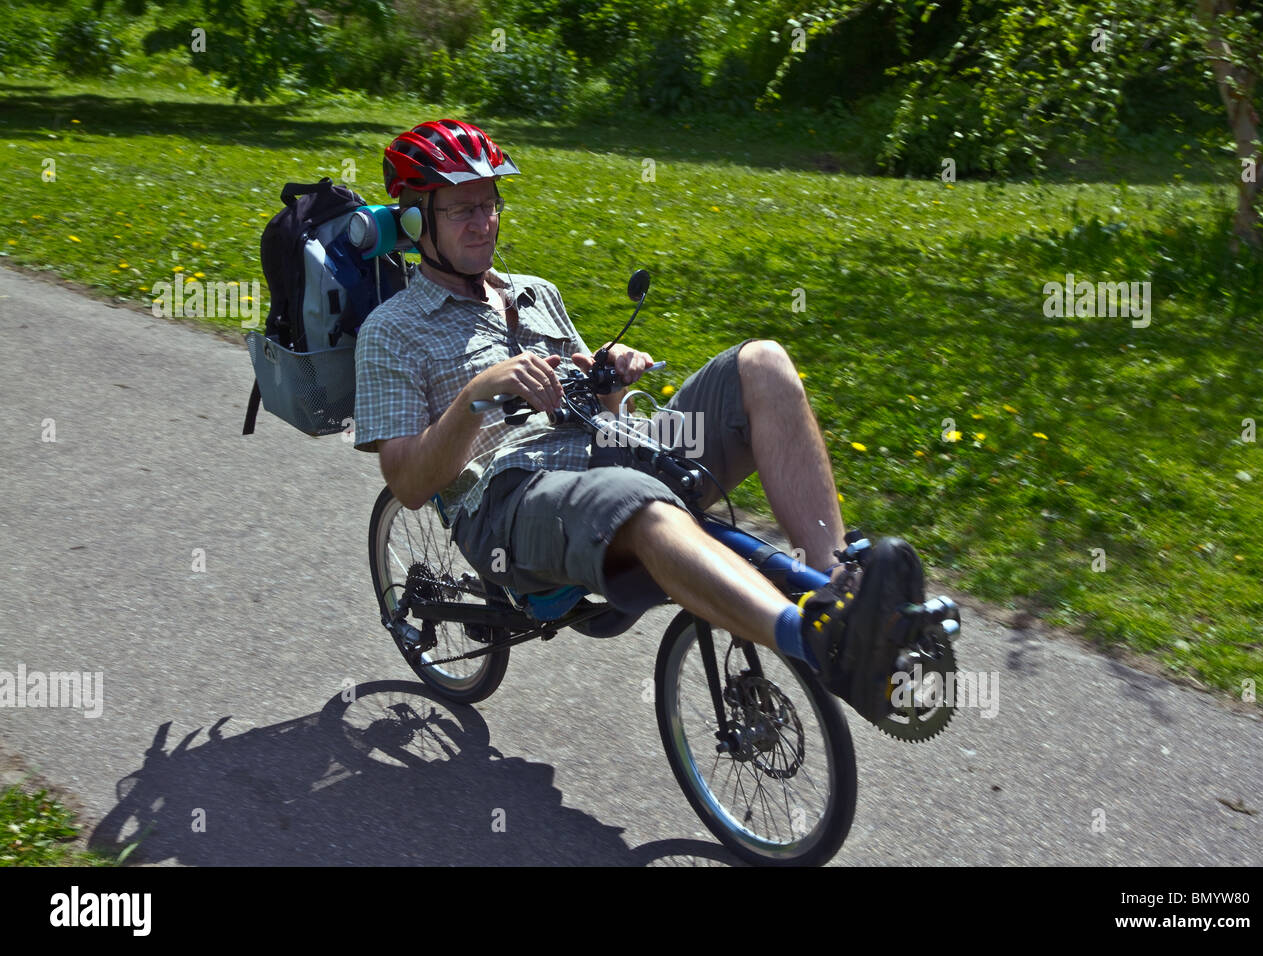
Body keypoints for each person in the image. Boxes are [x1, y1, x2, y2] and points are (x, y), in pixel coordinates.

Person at [353, 119, 929, 722]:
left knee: (762, 363)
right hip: (509, 500)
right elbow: (409, 485)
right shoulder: (391, 332)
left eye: (489, 203)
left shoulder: (534, 291)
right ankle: (815, 641)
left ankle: (838, 587)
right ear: (416, 221)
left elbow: (601, 416)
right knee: (636, 496)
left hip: (607, 455)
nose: (483, 221)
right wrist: (479, 393)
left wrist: (608, 377)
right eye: (460, 209)